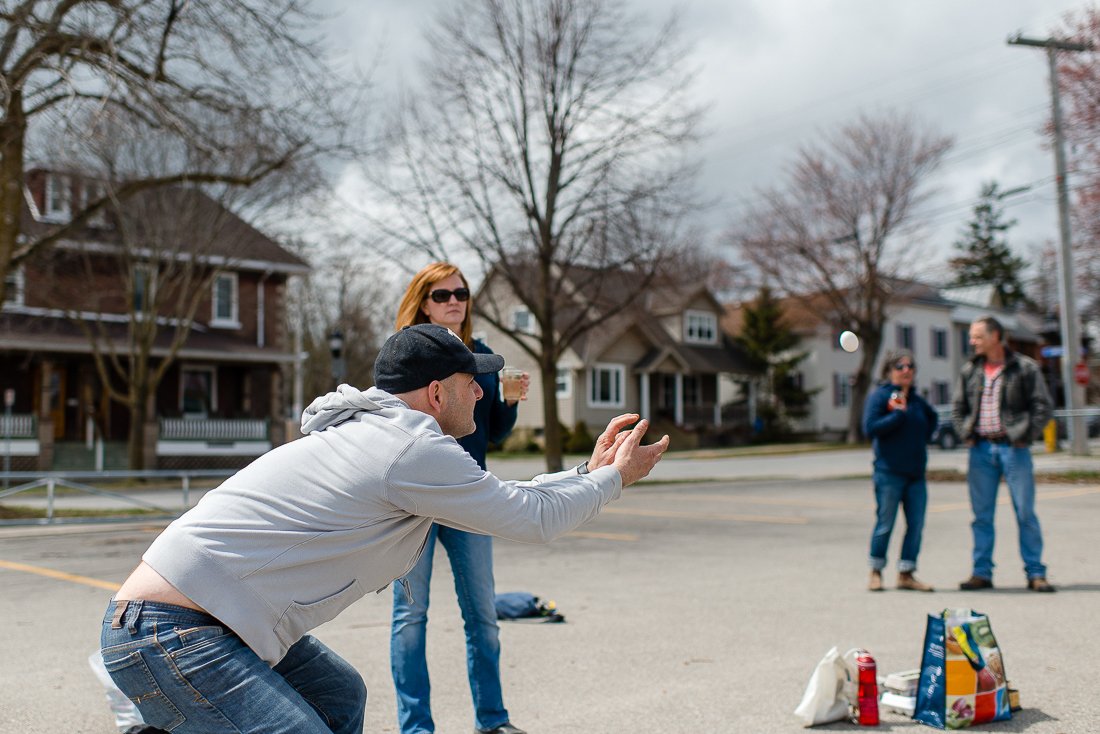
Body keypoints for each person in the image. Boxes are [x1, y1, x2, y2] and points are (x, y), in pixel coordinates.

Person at [99, 323, 668, 734]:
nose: (482, 391)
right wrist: (615, 480)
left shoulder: (388, 438)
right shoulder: (410, 449)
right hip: (173, 632)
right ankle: (149, 717)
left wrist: (586, 474)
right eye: (472, 381)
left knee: (338, 695)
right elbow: (534, 519)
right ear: (436, 393)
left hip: (202, 624)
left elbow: (512, 498)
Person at [390, 263, 529, 734]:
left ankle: (493, 721)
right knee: (410, 618)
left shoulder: (483, 357)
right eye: (442, 293)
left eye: (461, 293)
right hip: (413, 506)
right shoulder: (404, 357)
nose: (454, 300)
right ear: (423, 302)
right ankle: (416, 728)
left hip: (471, 500)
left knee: (483, 617)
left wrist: (508, 403)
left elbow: (494, 431)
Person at [952, 315, 1055, 592]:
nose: (972, 341)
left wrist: (1024, 435)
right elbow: (958, 407)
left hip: (1014, 449)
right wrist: (966, 433)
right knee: (981, 516)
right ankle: (981, 572)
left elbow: (1042, 407)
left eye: (977, 336)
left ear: (995, 336)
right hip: (981, 450)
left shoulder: (1024, 368)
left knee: (1024, 513)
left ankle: (1035, 572)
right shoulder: (970, 370)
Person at [862, 349, 937, 592]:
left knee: (916, 525)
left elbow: (932, 419)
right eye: (900, 366)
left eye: (910, 367)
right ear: (889, 370)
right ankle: (876, 571)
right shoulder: (880, 396)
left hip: (916, 474)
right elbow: (870, 428)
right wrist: (896, 416)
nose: (907, 371)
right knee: (885, 524)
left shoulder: (916, 399)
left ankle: (906, 573)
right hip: (889, 473)